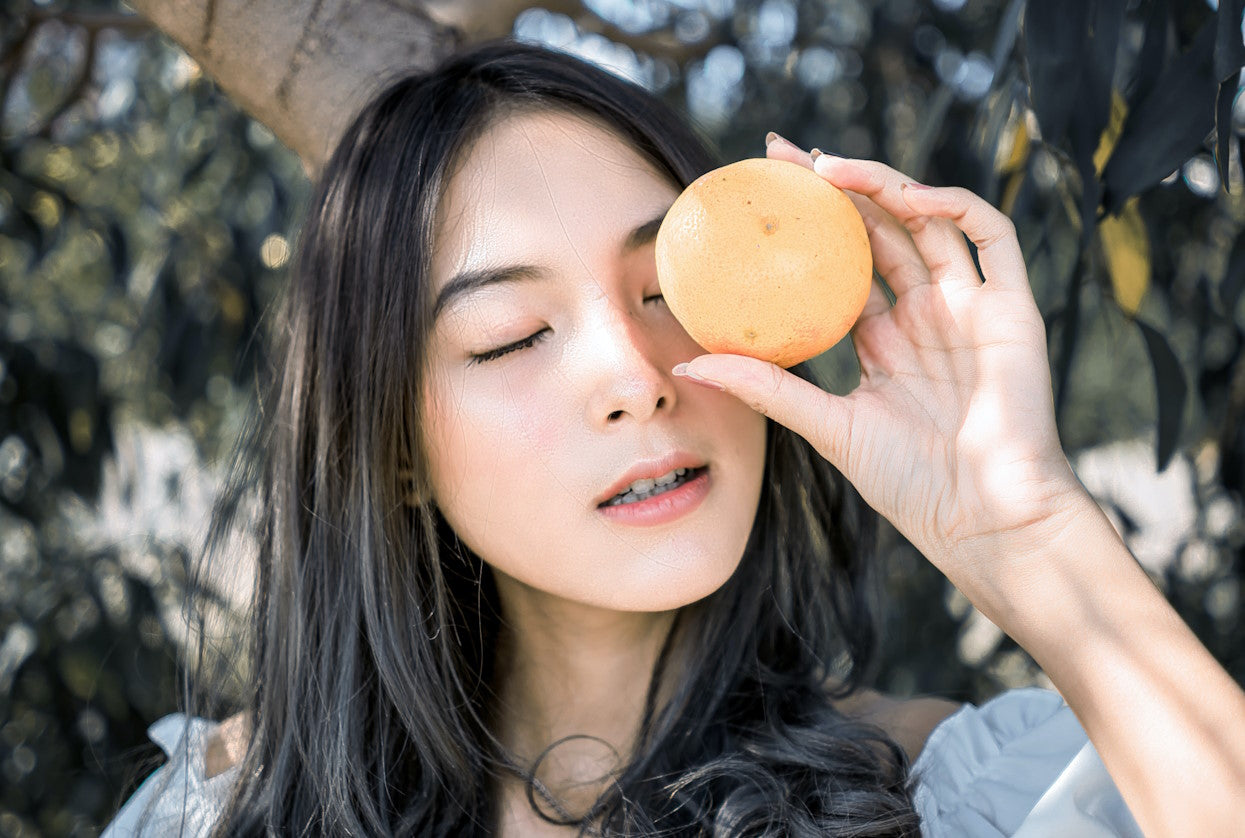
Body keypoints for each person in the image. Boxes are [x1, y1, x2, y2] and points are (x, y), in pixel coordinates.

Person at [101, 39, 1244, 837]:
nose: (637, 379)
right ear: (391, 447)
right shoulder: (220, 813)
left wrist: (1028, 533)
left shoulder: (957, 800)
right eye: (509, 336)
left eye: (669, 291)